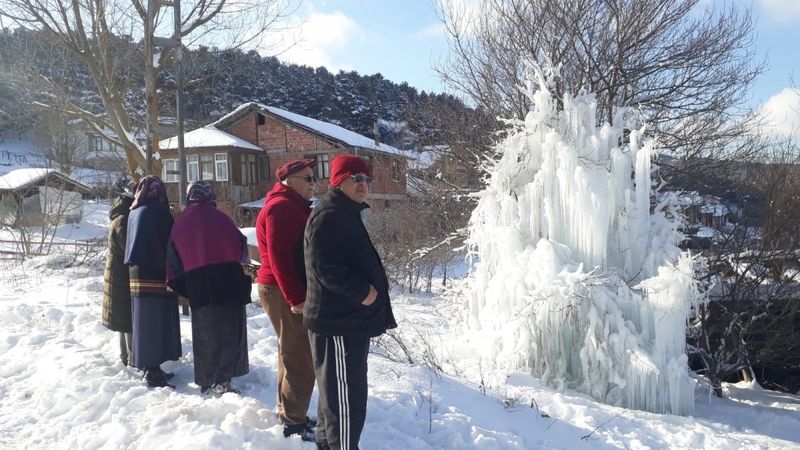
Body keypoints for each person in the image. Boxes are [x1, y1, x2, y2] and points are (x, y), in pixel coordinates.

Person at [303, 154, 397, 450]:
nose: (363, 184)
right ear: (338, 181)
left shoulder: (343, 211)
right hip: (338, 323)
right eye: (356, 178)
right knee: (346, 401)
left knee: (336, 396)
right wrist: (364, 292)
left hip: (345, 321)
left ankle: (326, 444)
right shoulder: (330, 214)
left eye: (366, 179)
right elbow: (325, 267)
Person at [167, 181, 252, 395]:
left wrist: (181, 284)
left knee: (205, 332)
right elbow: (241, 246)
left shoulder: (182, 221)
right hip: (228, 280)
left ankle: (207, 380)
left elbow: (173, 257)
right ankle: (223, 380)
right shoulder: (222, 217)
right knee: (228, 331)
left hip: (199, 284)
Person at [256, 159, 317, 440]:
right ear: (289, 181)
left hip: (280, 288)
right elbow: (280, 258)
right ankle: (294, 422)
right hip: (281, 289)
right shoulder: (281, 208)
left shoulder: (290, 205)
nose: (313, 183)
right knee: (300, 355)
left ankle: (288, 411)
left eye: (313, 177)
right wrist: (296, 298)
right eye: (307, 178)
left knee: (290, 350)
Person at [124, 175, 181, 388]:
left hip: (136, 272)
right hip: (156, 272)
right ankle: (153, 371)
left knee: (144, 320)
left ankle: (149, 366)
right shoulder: (159, 212)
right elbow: (171, 242)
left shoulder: (134, 211)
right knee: (157, 321)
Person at [102, 178, 134, 366]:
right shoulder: (124, 219)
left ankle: (126, 356)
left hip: (117, 271)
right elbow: (127, 247)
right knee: (127, 317)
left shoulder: (120, 214)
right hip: (121, 273)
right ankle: (130, 357)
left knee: (123, 318)